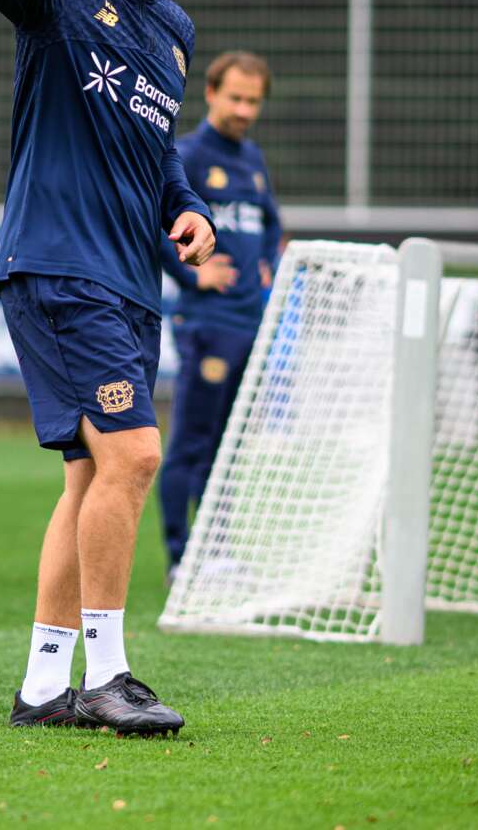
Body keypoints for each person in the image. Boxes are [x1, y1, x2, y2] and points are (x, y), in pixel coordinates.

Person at [0, 0, 215, 735]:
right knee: (136, 456)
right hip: (59, 266)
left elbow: (157, 156)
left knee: (90, 478)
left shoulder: (177, 33)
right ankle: (107, 674)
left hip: (128, 281)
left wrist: (187, 209)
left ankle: (42, 688)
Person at [156, 51, 283, 578]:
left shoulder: (252, 161)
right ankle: (180, 555)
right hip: (206, 322)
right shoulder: (184, 154)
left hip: (249, 322)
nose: (244, 110)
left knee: (230, 443)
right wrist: (192, 275)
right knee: (193, 437)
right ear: (210, 93)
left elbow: (272, 224)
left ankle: (218, 548)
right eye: (235, 97)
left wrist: (269, 265)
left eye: (253, 101)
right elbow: (153, 224)